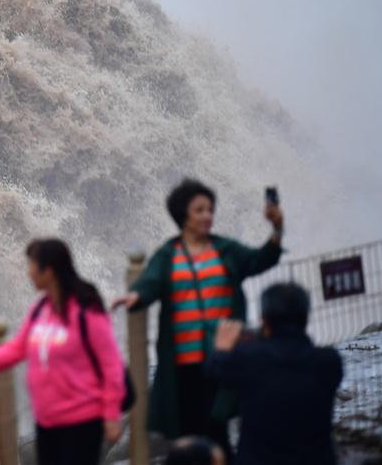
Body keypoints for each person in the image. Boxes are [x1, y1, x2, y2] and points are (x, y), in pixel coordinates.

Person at [112, 179, 284, 454]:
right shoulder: (169, 254)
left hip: (221, 358)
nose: (207, 216)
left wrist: (276, 229)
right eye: (199, 210)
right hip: (183, 363)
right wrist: (137, 296)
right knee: (188, 432)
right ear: (183, 215)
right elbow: (152, 281)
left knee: (217, 428)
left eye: (210, 210)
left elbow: (261, 259)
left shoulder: (225, 249)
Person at [0, 239, 126, 465]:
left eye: (31, 265)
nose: (28, 273)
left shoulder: (86, 310)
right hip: (47, 421)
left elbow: (111, 365)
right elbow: (15, 349)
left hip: (81, 422)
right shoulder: (41, 309)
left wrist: (111, 414)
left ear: (48, 271)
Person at [208, 284, 343, 465]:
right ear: (305, 317)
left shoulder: (249, 360)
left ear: (264, 319)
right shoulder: (329, 362)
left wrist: (222, 347)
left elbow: (214, 369)